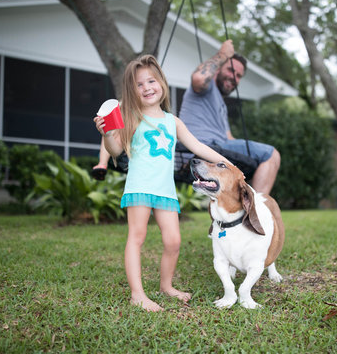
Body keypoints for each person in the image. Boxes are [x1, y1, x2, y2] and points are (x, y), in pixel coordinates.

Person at [94, 54, 231, 312]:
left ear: (162, 83)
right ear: (132, 90)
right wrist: (107, 133)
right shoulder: (131, 117)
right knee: (137, 237)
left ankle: (166, 286)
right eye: (139, 84)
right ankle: (137, 295)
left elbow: (199, 146)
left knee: (173, 241)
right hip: (140, 186)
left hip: (165, 190)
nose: (147, 88)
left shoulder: (173, 121)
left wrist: (227, 164)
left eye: (151, 81)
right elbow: (114, 150)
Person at [179, 39, 280, 195]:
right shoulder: (205, 88)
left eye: (239, 75)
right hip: (200, 148)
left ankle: (249, 204)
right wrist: (223, 54)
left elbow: (229, 138)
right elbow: (199, 78)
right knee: (271, 154)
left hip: (220, 148)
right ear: (218, 70)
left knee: (263, 158)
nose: (235, 77)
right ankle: (258, 209)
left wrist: (250, 160)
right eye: (231, 70)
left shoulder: (221, 105)